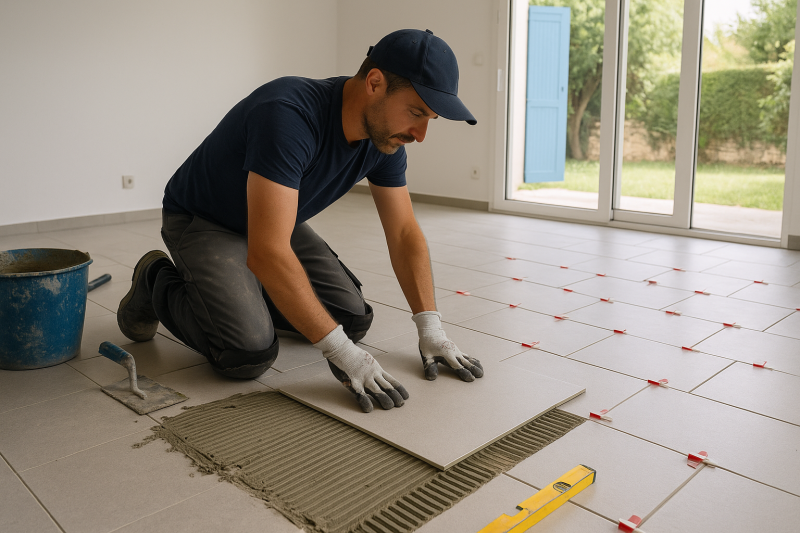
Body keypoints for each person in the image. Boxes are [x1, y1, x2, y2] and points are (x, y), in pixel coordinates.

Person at [117, 29, 484, 413]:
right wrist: (340, 352)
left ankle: (245, 292)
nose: (421, 135)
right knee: (246, 354)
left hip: (274, 222)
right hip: (206, 219)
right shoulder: (288, 114)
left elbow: (405, 233)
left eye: (431, 118)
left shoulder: (385, 140)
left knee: (352, 321)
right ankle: (154, 279)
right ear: (375, 82)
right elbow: (268, 252)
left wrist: (431, 328)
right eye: (416, 112)